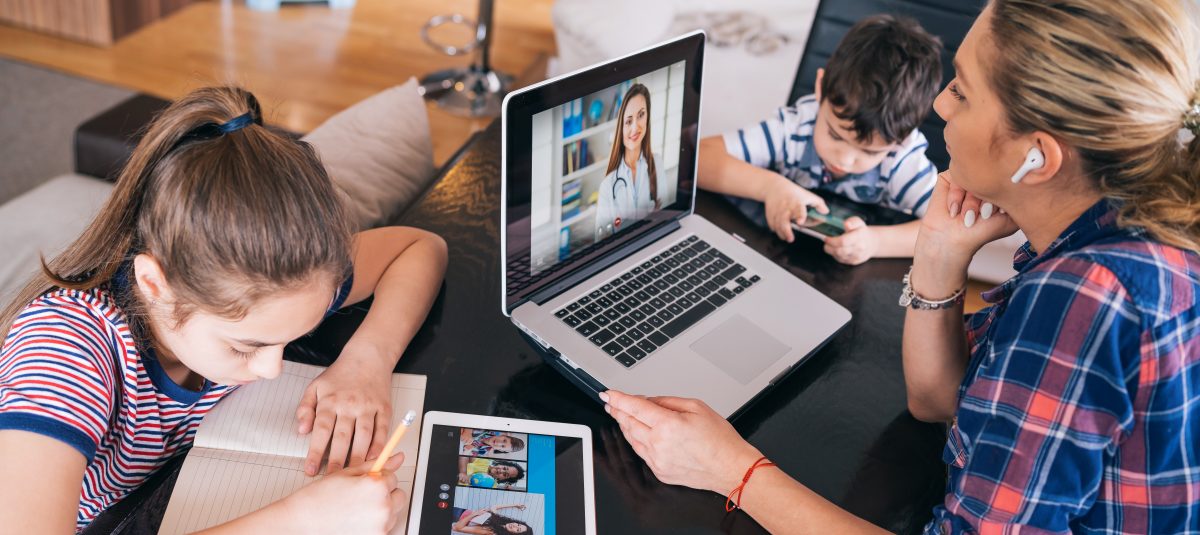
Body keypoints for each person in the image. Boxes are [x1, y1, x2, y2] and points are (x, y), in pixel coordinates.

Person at [602, 0, 1200, 532]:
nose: (939, 106)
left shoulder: (1089, 296)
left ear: (1035, 157)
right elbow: (940, 401)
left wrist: (731, 470)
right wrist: (941, 249)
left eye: (961, 91)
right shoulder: (1117, 233)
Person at [0, 86, 448, 533]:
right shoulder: (65, 346)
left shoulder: (282, 283)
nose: (272, 368)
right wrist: (301, 521)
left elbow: (420, 247)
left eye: (287, 339)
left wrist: (367, 360)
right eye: (245, 346)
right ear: (156, 284)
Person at [697, 15, 943, 265]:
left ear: (902, 138)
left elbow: (947, 230)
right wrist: (771, 187)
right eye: (835, 135)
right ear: (821, 88)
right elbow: (700, 158)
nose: (845, 160)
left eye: (869, 152)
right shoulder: (794, 129)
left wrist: (876, 242)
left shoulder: (901, 160)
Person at [594, 83, 663, 239]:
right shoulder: (607, 186)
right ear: (621, 127)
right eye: (628, 121)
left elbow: (668, 216)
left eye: (641, 115)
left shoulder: (657, 164)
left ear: (648, 118)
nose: (634, 128)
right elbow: (600, 243)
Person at [451, 504, 532, 535]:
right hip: (461, 508)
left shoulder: (491, 531)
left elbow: (457, 527)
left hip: (456, 516)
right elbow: (494, 507)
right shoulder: (500, 522)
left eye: (517, 530)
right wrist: (515, 505)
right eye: (518, 524)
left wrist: (474, 514)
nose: (515, 525)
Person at [458, 457, 527, 488]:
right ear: (501, 464)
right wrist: (463, 472)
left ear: (503, 479)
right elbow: (464, 456)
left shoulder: (492, 486)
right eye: (504, 468)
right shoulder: (484, 461)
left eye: (505, 474)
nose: (501, 471)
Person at [460, 428, 526, 456]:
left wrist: (466, 451)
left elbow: (465, 453)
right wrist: (467, 431)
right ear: (503, 435)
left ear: (500, 450)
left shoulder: (484, 451)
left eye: (502, 446)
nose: (498, 443)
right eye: (504, 440)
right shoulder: (488, 429)